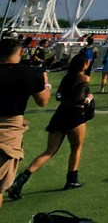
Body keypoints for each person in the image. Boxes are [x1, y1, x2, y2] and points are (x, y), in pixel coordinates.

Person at [7, 53, 93, 200]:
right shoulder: (84, 79)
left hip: (60, 115)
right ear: (84, 64)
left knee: (49, 151)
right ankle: (72, 179)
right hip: (75, 115)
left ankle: (21, 179)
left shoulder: (67, 77)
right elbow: (78, 98)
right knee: (76, 148)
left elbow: (59, 95)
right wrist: (88, 99)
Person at [0, 37, 51, 209]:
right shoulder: (30, 72)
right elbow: (43, 101)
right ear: (21, 52)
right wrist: (46, 82)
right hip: (9, 130)